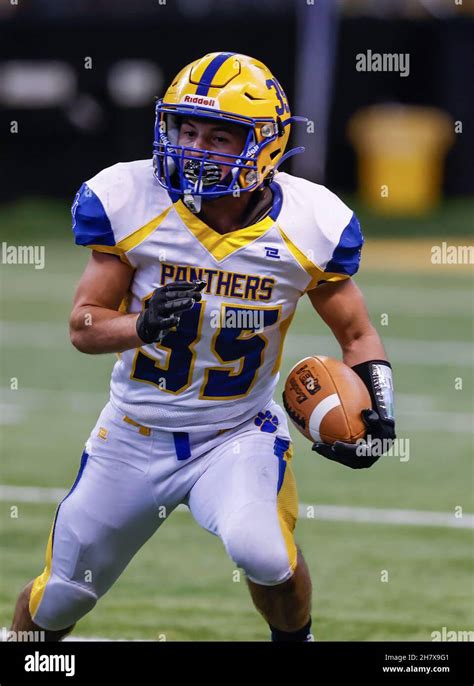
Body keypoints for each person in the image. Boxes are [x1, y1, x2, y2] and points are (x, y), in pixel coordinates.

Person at [11, 52, 395, 642]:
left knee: (264, 553)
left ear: (265, 145)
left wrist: (379, 408)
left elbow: (357, 334)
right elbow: (84, 327)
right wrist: (141, 326)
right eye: (186, 129)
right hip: (134, 433)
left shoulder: (312, 222)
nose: (195, 147)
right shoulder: (130, 197)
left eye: (221, 136)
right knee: (61, 596)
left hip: (236, 432)